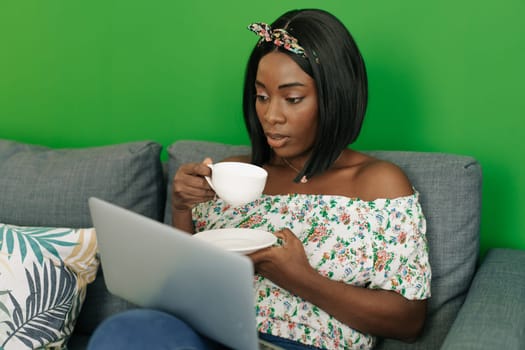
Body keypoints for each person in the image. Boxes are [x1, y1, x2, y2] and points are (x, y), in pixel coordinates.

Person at [87, 8, 431, 350]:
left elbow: (408, 321)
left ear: (334, 98)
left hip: (301, 344)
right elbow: (187, 291)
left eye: (292, 98)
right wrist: (181, 209)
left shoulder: (378, 185)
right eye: (262, 96)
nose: (270, 115)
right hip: (207, 336)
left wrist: (297, 277)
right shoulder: (231, 175)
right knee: (124, 331)